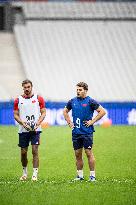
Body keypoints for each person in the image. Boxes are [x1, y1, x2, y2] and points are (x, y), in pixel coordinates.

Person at [63, 82, 106, 181]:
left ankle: (92, 176)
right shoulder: (72, 101)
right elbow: (65, 111)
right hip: (76, 132)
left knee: (88, 153)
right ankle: (80, 176)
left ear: (85, 91)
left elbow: (102, 111)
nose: (78, 91)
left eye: (80, 90)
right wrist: (69, 122)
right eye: (77, 90)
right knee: (78, 154)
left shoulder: (90, 101)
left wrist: (92, 121)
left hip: (87, 132)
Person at [14, 79, 46, 181]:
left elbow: (43, 112)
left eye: (28, 87)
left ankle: (35, 175)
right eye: (25, 87)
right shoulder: (18, 100)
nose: (27, 89)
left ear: (31, 87)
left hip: (35, 129)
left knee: (34, 150)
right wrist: (23, 123)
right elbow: (15, 115)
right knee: (23, 152)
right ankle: (24, 173)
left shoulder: (38, 98)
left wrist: (38, 123)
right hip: (23, 129)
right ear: (23, 88)